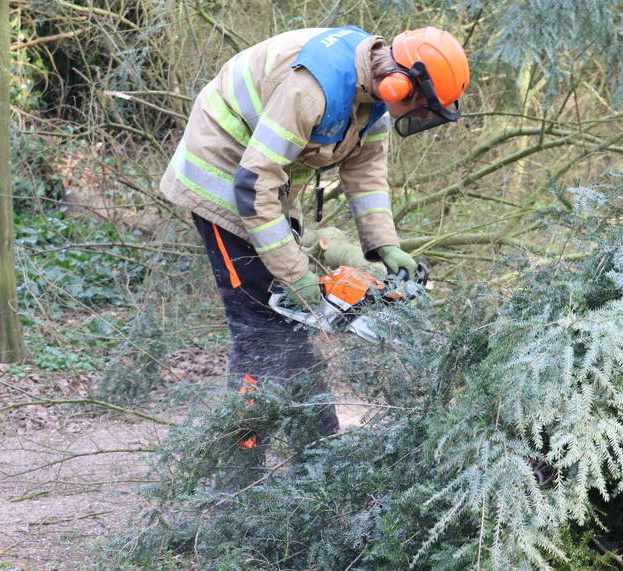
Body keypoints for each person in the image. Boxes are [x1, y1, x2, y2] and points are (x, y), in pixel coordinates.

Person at [158, 25, 470, 465]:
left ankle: (318, 458)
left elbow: (366, 176)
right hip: (223, 176)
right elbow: (252, 185)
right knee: (259, 329)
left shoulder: (375, 97)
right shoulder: (312, 89)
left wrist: (385, 248)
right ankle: (238, 471)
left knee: (291, 331)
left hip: (265, 184)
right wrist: (298, 277)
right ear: (403, 81)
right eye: (422, 105)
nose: (418, 115)